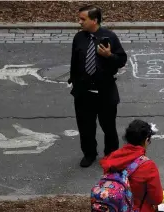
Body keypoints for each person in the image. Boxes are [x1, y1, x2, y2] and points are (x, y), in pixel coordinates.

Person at [69, 5, 127, 167]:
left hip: (105, 92)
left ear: (94, 20)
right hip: (83, 93)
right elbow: (74, 61)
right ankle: (89, 153)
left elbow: (121, 60)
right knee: (85, 127)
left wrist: (109, 55)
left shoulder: (110, 37)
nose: (79, 22)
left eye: (83, 19)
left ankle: (111, 155)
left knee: (108, 127)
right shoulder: (79, 38)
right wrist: (74, 82)